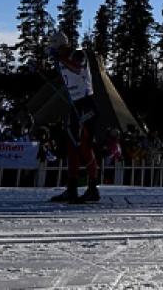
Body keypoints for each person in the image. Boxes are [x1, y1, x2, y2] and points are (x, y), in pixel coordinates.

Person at [45, 29, 102, 203]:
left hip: (87, 104)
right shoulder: (61, 59)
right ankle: (71, 188)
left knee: (84, 146)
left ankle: (92, 188)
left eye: (55, 48)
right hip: (74, 104)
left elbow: (77, 69)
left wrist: (60, 57)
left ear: (61, 45)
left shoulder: (78, 53)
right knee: (71, 147)